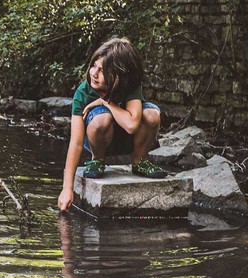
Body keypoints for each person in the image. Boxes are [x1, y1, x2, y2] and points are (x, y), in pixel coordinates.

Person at [58, 37, 167, 212]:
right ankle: (97, 161)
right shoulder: (83, 91)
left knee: (152, 114)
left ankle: (140, 162)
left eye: (102, 70)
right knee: (101, 119)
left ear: (118, 75)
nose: (94, 73)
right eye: (94, 66)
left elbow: (132, 125)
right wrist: (67, 188)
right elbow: (76, 142)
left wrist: (106, 102)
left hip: (128, 139)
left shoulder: (130, 86)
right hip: (99, 139)